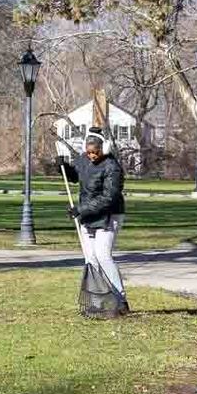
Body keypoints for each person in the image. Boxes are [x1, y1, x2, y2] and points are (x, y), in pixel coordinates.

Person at [59, 127, 129, 314]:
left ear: (103, 149)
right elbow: (76, 176)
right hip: (87, 215)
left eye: (95, 152)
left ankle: (120, 300)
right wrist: (64, 168)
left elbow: (109, 198)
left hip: (109, 215)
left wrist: (81, 209)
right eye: (88, 152)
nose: (91, 156)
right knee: (90, 259)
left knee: (103, 256)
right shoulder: (83, 159)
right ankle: (97, 302)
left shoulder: (112, 167)